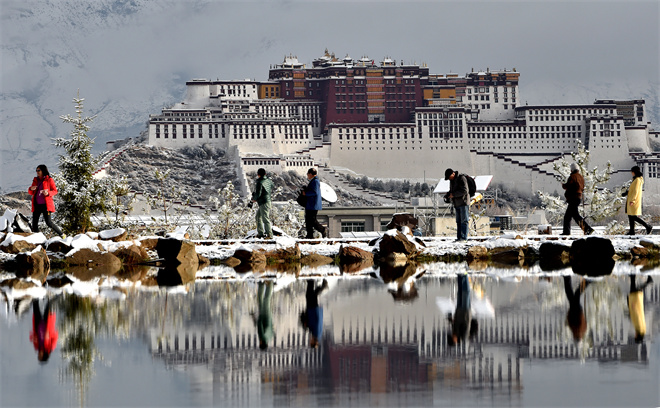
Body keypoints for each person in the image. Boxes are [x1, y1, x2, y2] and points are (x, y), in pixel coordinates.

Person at [28, 164, 64, 237]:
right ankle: (37, 238)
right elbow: (30, 192)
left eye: (39, 170)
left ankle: (62, 234)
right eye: (36, 170)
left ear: (43, 170)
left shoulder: (49, 180)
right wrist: (31, 189)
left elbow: (55, 191)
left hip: (46, 205)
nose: (37, 172)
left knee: (49, 222)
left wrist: (48, 193)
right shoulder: (35, 180)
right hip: (36, 205)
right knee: (34, 224)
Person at [561, 163, 594, 236]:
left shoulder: (572, 177)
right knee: (569, 216)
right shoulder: (581, 177)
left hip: (573, 198)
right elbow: (582, 187)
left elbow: (568, 186)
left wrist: (563, 185)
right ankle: (567, 232)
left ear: (571, 169)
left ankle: (587, 229)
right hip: (578, 198)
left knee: (574, 216)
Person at [447, 274, 478, 346]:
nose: (452, 335)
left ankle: (460, 276)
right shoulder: (464, 336)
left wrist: (451, 320)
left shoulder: (455, 332)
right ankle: (464, 275)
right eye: (452, 338)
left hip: (458, 310)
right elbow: (466, 324)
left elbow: (455, 323)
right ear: (455, 340)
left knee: (460, 292)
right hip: (465, 311)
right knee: (466, 292)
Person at [623, 166, 652, 235]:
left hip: (633, 200)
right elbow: (632, 190)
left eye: (632, 172)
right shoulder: (636, 179)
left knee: (633, 216)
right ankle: (632, 231)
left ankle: (647, 226)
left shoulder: (637, 180)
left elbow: (635, 191)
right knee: (631, 216)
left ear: (634, 172)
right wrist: (627, 192)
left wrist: (632, 200)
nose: (631, 173)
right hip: (632, 199)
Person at [300, 279, 328, 348]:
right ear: (313, 342)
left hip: (314, 310)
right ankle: (313, 282)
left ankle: (321, 285)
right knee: (309, 294)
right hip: (313, 310)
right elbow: (317, 321)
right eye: (311, 342)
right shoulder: (316, 333)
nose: (310, 341)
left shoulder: (317, 334)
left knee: (313, 294)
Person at [444, 168, 470, 241]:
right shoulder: (452, 181)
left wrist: (454, 195)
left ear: (453, 174)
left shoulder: (461, 178)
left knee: (464, 221)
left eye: (449, 177)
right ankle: (459, 237)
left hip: (463, 203)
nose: (449, 179)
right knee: (458, 221)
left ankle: (464, 238)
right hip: (457, 204)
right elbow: (453, 190)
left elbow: (465, 191)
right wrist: (449, 194)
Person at [29, 298, 58, 362]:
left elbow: (31, 337)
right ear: (44, 355)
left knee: (35, 303)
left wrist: (33, 337)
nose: (39, 354)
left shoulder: (36, 346)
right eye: (40, 356)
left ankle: (35, 290)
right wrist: (49, 334)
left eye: (38, 356)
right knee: (51, 304)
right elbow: (56, 336)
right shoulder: (51, 347)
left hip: (38, 323)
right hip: (48, 322)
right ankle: (56, 292)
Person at [302, 168, 327, 239]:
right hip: (311, 204)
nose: (307, 175)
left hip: (313, 204)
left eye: (308, 174)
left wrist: (306, 193)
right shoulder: (314, 181)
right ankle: (309, 235)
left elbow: (314, 192)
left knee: (312, 220)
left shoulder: (315, 181)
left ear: (310, 174)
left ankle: (322, 229)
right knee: (308, 220)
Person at [627, 275, 653, 343]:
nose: (634, 335)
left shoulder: (642, 329)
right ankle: (635, 277)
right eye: (635, 337)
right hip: (635, 304)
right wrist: (634, 306)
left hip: (637, 304)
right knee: (635, 289)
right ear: (637, 336)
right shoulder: (639, 328)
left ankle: (647, 281)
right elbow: (637, 316)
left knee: (637, 289)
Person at [250, 168, 274, 239]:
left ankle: (269, 235)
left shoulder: (260, 182)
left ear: (258, 174)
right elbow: (271, 186)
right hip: (266, 201)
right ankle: (260, 233)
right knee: (258, 217)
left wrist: (253, 199)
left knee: (265, 218)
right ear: (265, 174)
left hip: (263, 202)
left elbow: (258, 193)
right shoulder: (268, 181)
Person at [563, 275, 588, 342]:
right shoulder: (576, 330)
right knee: (574, 293)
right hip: (575, 310)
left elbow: (585, 322)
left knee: (573, 294)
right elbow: (570, 320)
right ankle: (587, 281)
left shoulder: (582, 331)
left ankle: (567, 278)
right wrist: (570, 312)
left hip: (577, 310)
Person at [252, 281, 274, 350]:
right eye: (260, 343)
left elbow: (272, 328)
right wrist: (259, 318)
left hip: (269, 316)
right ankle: (269, 283)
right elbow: (260, 325)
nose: (259, 342)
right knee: (266, 299)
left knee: (260, 299)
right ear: (261, 343)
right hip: (264, 315)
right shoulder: (262, 336)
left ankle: (262, 284)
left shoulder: (270, 337)